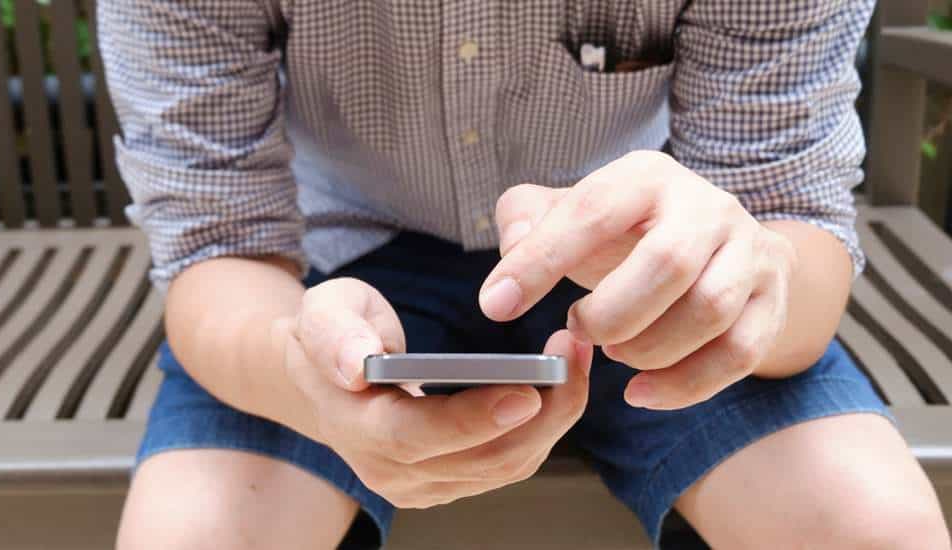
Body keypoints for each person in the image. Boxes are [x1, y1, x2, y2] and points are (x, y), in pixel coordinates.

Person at [99, 0, 952, 548]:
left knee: (877, 528)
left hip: (653, 260)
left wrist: (745, 282)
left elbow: (786, 227)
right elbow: (218, 249)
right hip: (332, 273)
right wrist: (294, 369)